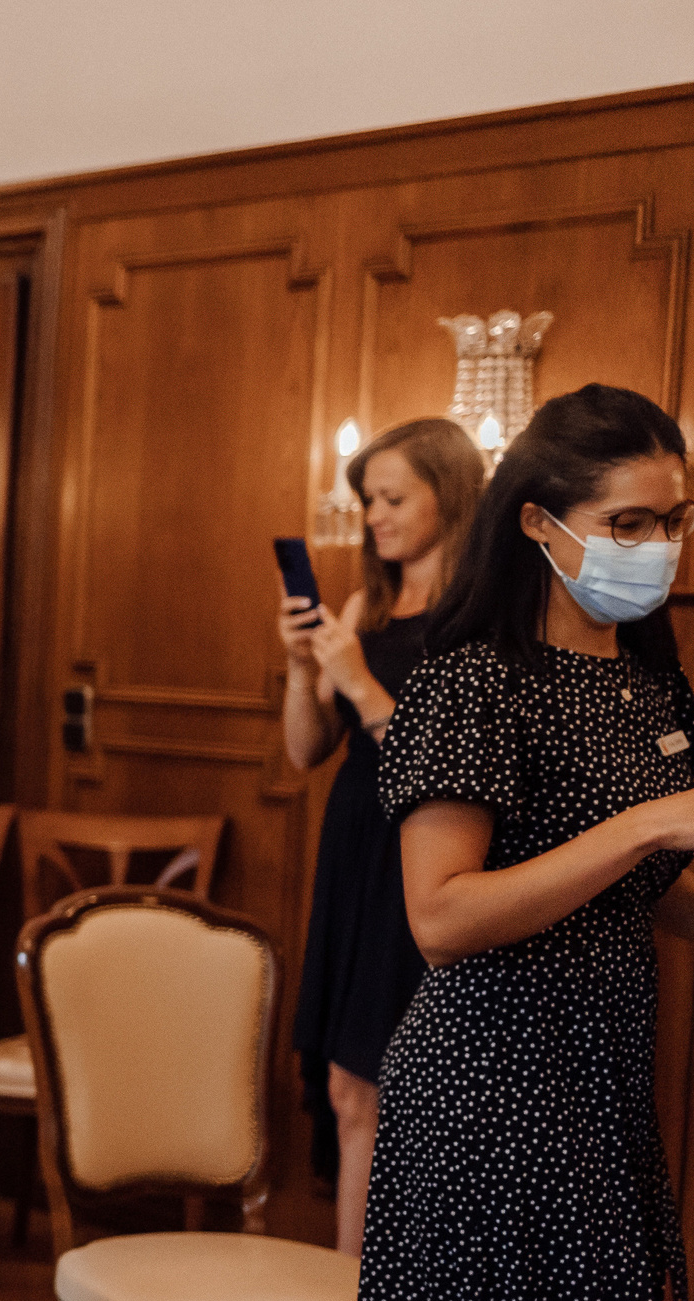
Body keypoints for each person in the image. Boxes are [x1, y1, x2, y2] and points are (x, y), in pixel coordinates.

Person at [340, 383, 694, 1301]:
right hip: (488, 1083)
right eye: (628, 521)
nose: (660, 543)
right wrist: (649, 825)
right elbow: (442, 917)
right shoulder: (472, 681)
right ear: (538, 523)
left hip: (609, 1077)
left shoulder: (652, 682)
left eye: (676, 517)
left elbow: (641, 881)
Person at [281, 418, 486, 1256]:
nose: (375, 516)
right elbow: (304, 750)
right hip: (357, 854)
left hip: (426, 854)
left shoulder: (477, 622)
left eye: (395, 497)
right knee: (346, 1084)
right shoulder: (367, 603)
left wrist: (362, 686)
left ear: (453, 492)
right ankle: (351, 1300)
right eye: (369, 500)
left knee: (395, 1084)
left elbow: (443, 767)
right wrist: (304, 670)